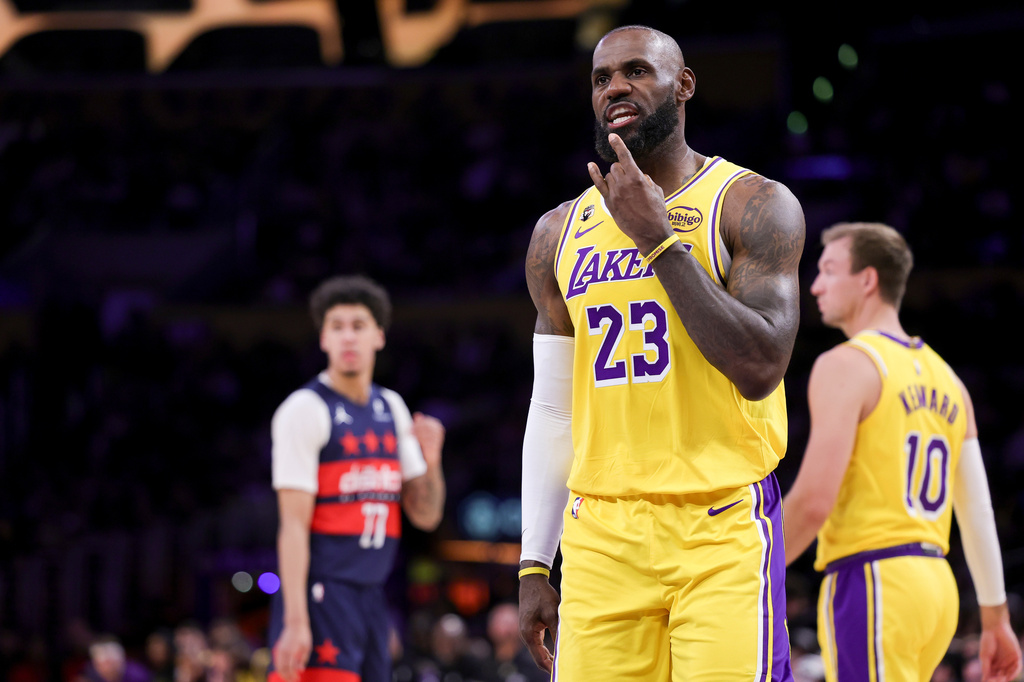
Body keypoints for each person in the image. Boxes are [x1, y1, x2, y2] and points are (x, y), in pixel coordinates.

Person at [518, 24, 805, 681]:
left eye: (637, 71)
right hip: (601, 539)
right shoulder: (557, 232)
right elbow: (553, 409)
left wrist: (657, 242)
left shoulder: (752, 205)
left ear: (684, 85)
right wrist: (536, 559)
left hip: (721, 527)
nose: (616, 85)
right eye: (601, 78)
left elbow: (761, 368)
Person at [781, 222, 1023, 682]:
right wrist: (996, 617)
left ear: (867, 279)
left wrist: (750, 569)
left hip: (873, 578)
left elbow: (812, 503)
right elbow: (976, 511)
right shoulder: (949, 379)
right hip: (935, 588)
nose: (814, 284)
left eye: (829, 270)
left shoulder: (845, 364)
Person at [269, 275, 446, 682]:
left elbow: (426, 516)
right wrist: (295, 621)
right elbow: (292, 526)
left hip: (372, 595)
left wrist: (432, 461)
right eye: (337, 326)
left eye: (358, 326)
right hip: (321, 593)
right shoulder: (304, 409)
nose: (348, 337)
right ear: (323, 339)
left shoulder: (393, 407)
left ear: (379, 337)